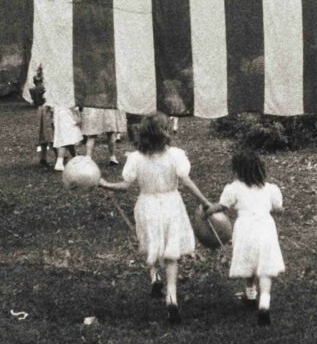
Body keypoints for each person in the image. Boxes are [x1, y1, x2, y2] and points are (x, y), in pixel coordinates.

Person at [100, 111, 212, 323]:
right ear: (165, 132)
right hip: (172, 204)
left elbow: (125, 186)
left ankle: (154, 277)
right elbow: (186, 182)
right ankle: (171, 297)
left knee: (151, 241)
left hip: (147, 205)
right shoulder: (176, 155)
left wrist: (106, 184)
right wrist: (205, 202)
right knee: (171, 252)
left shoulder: (135, 158)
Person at [206, 148, 284, 326]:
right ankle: (264, 302)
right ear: (259, 169)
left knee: (249, 260)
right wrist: (279, 210)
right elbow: (278, 207)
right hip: (265, 227)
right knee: (265, 265)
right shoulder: (269, 189)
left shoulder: (233, 189)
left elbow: (222, 207)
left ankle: (250, 294)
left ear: (237, 170)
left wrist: (207, 211)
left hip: (245, 228)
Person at [29, 75, 53, 169]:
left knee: (43, 134)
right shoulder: (44, 88)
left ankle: (43, 158)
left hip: (39, 110)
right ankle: (61, 157)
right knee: (50, 134)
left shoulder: (32, 90)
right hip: (46, 110)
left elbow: (35, 103)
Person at [52, 106, 82, 173]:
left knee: (69, 138)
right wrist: (77, 115)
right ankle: (59, 162)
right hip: (67, 115)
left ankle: (75, 158)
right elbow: (71, 103)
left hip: (58, 113)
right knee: (66, 138)